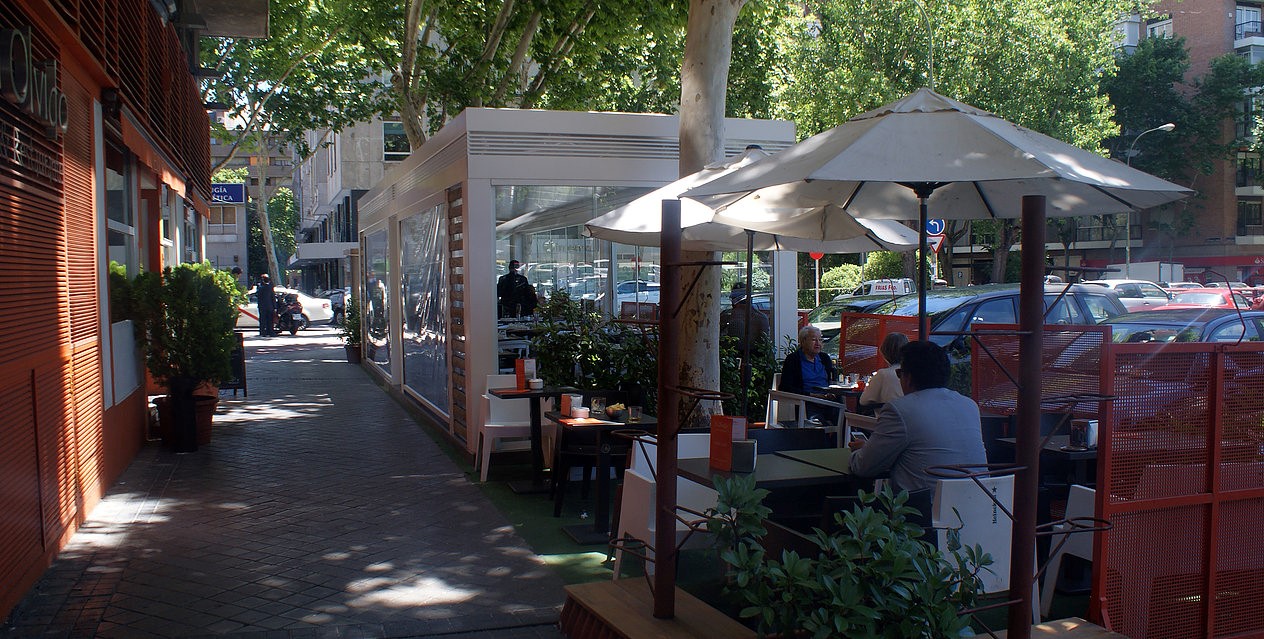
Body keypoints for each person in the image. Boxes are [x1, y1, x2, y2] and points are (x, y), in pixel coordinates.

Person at [848, 340, 987, 529]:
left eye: (899, 373)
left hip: (921, 521)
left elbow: (863, 466)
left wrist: (859, 452)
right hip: (977, 513)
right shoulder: (968, 405)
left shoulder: (900, 410)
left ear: (909, 377)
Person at [859, 332, 909, 409]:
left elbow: (864, 401)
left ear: (884, 351)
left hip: (889, 418)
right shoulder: (912, 373)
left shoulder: (883, 374)